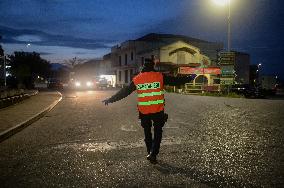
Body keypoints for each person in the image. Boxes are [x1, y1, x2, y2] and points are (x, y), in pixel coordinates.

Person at [102, 58, 193, 164]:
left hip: (144, 111)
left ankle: (150, 152)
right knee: (158, 132)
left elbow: (124, 92)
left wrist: (111, 99)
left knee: (147, 133)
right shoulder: (159, 76)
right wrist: (189, 78)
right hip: (158, 110)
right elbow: (176, 81)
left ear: (143, 66)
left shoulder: (137, 79)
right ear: (153, 66)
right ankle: (153, 153)